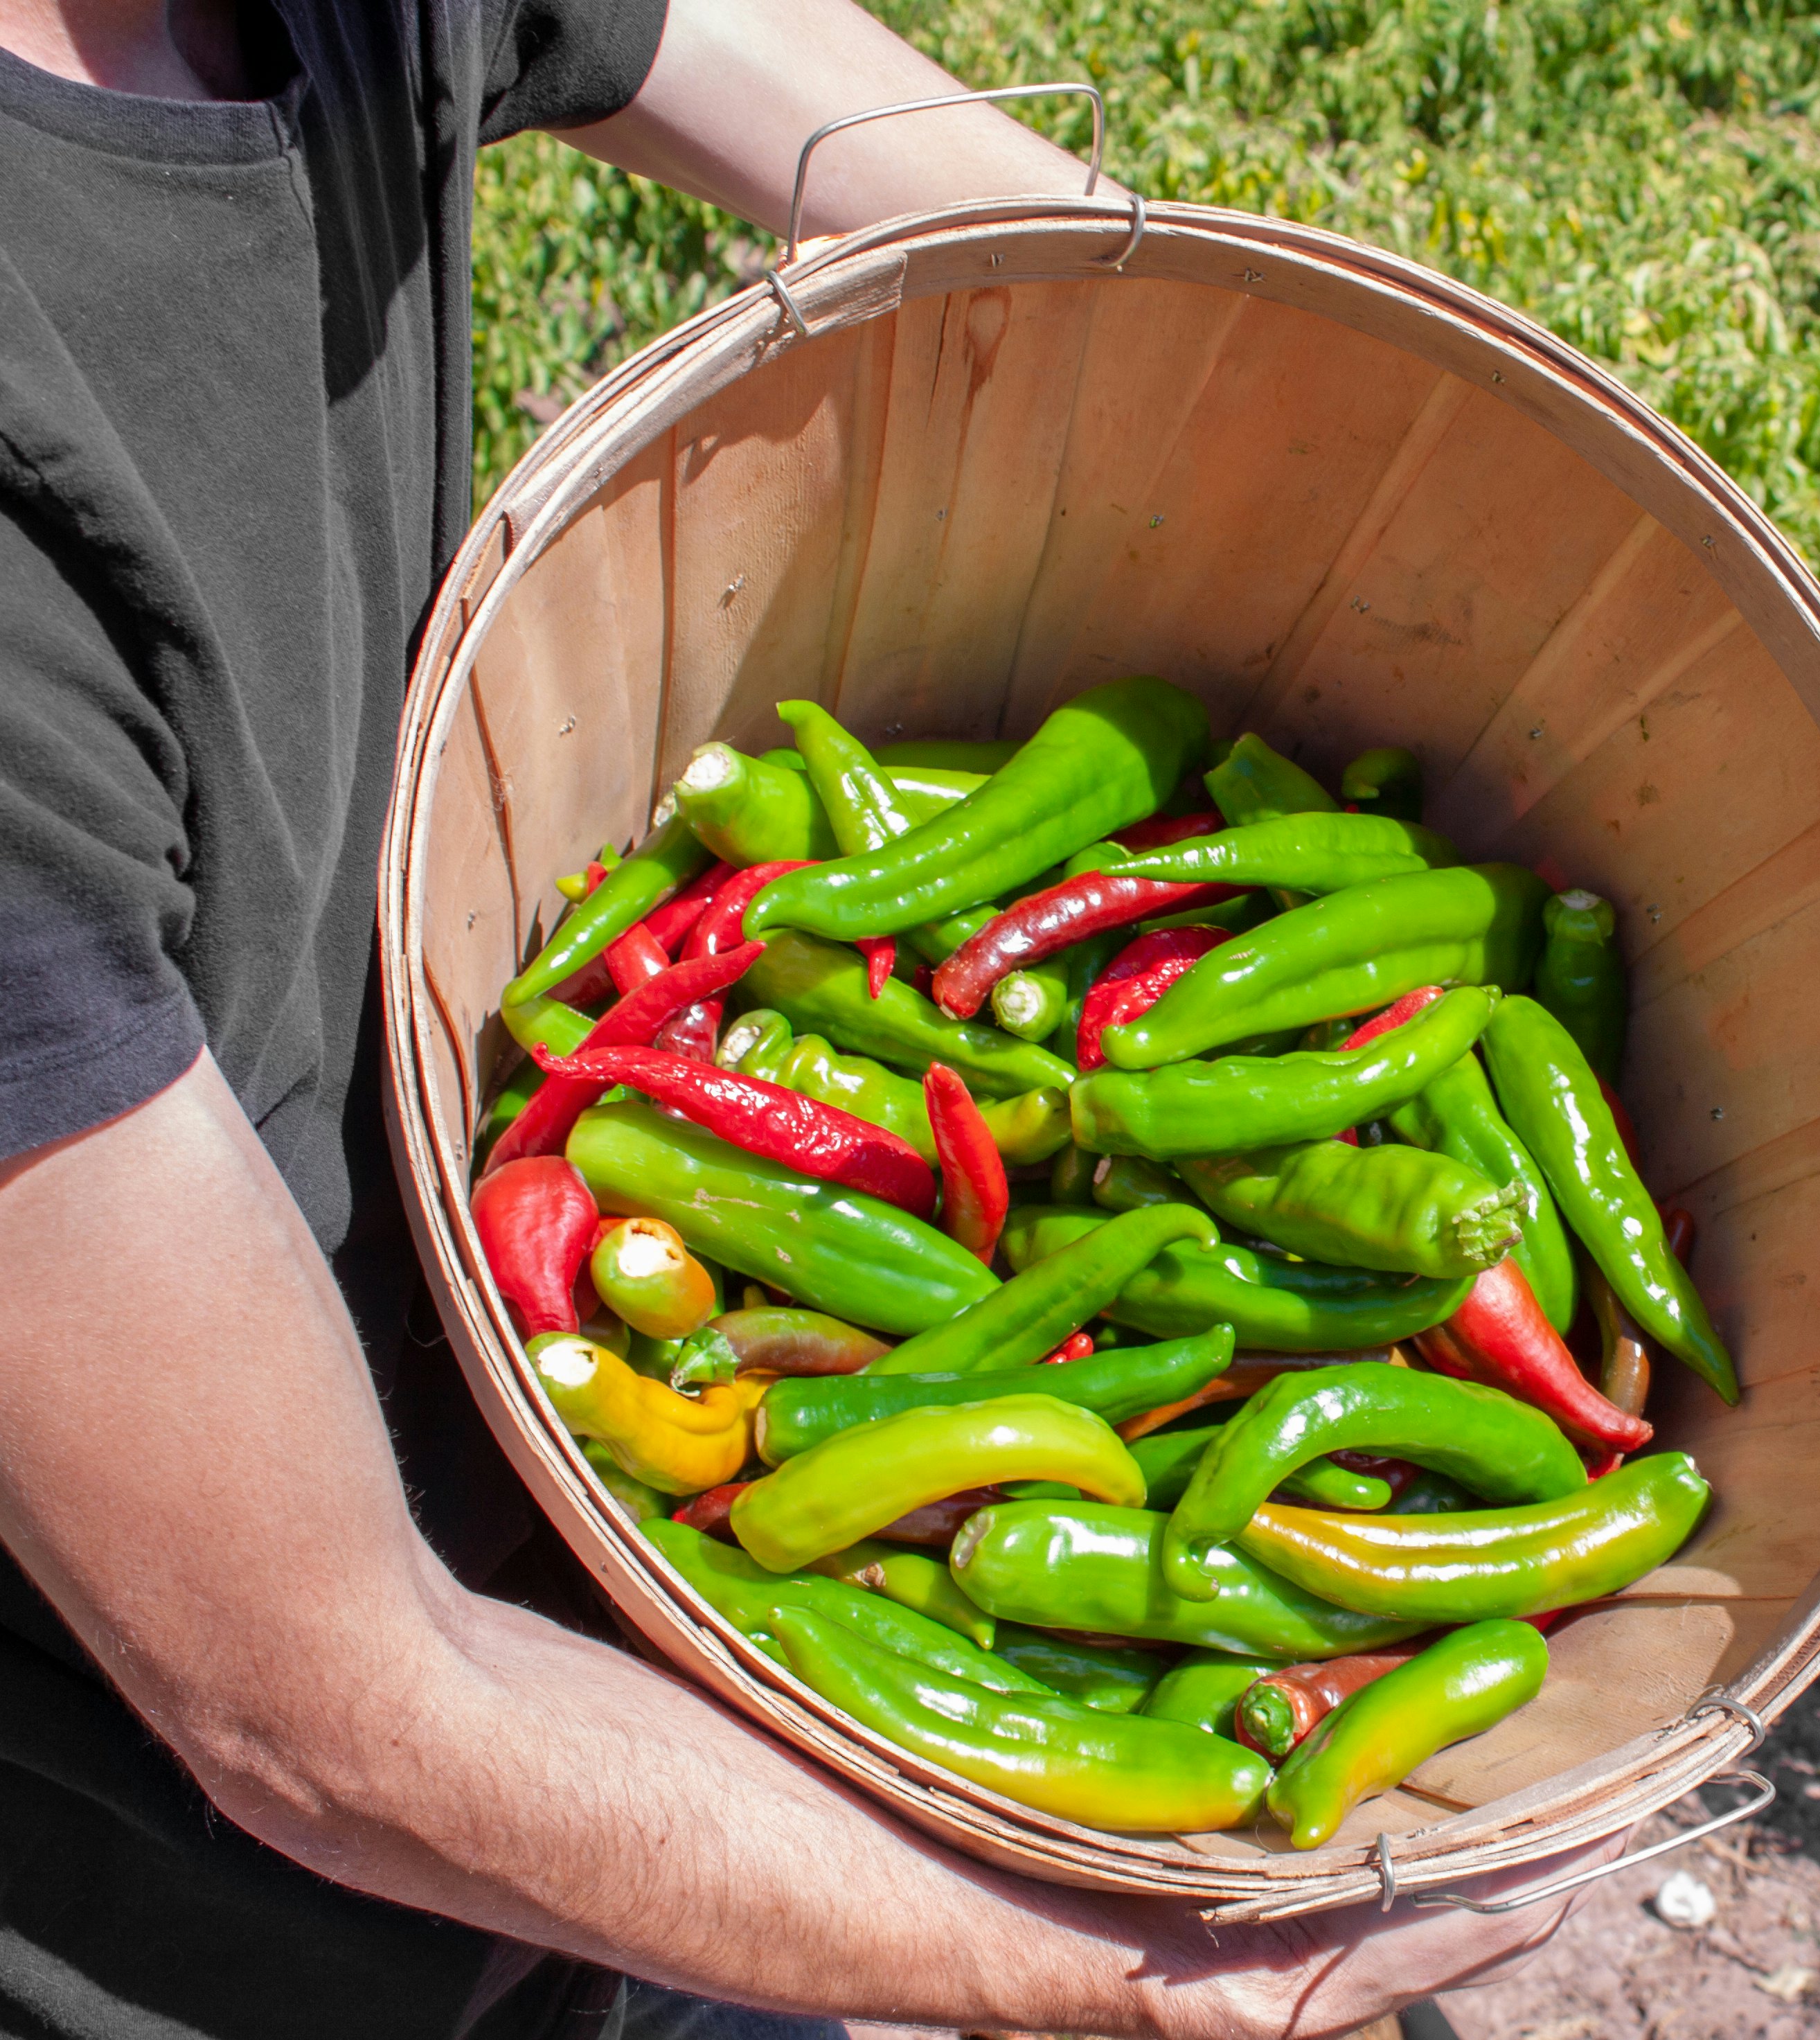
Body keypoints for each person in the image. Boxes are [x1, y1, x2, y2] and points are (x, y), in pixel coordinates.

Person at [0, 3, 1605, 2034]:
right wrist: (1141, 1969)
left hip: (605, 1638)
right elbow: (320, 1707)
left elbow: (766, 70)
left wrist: (1217, 346)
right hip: (220, 1926)